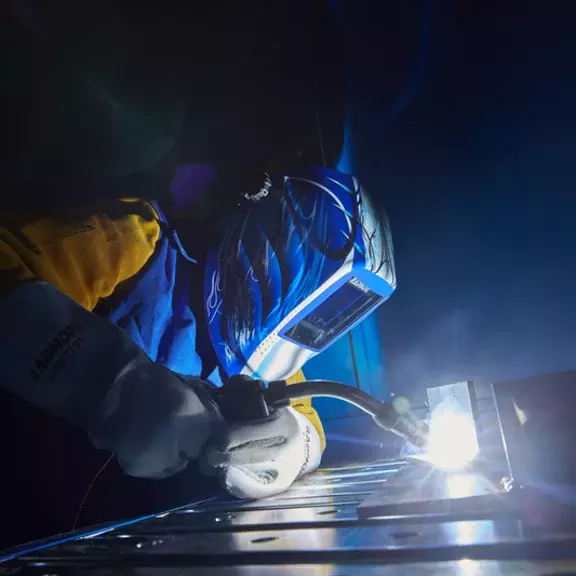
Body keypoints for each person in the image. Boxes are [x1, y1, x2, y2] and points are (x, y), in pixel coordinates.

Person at [0, 163, 396, 500]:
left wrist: (299, 444)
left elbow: (306, 419)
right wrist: (106, 381)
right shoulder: (138, 242)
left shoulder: (270, 358)